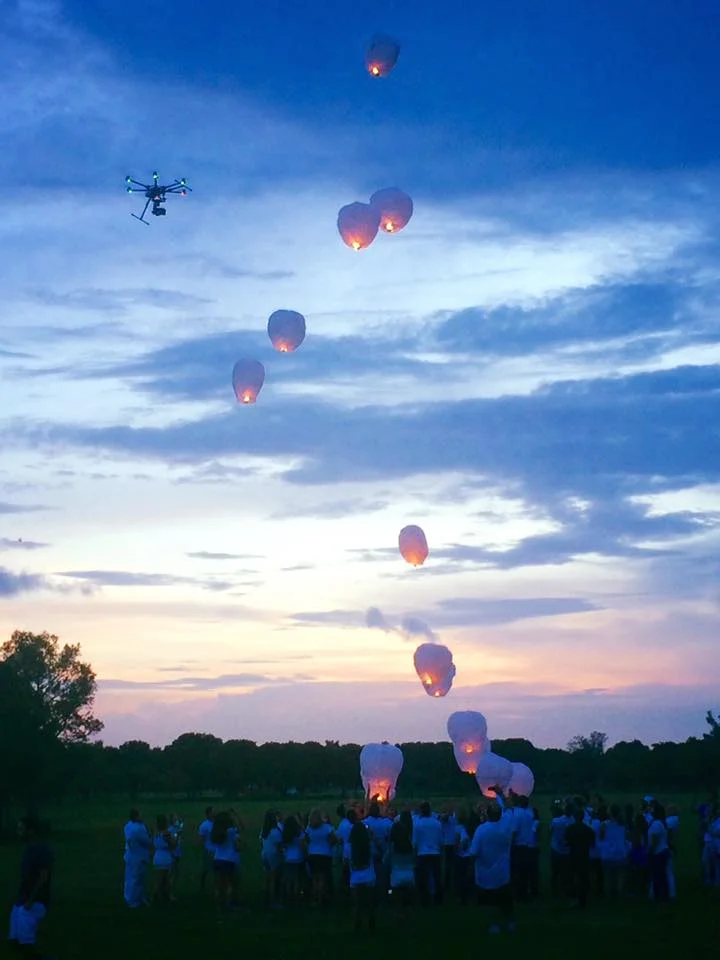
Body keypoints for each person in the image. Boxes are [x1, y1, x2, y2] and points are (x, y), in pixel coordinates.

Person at [469, 791, 515, 935]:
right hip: (503, 873)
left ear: (487, 814)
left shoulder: (482, 830)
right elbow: (508, 810)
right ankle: (510, 924)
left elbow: (474, 852)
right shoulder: (506, 826)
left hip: (486, 874)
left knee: (491, 903)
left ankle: (494, 926)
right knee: (506, 901)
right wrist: (500, 795)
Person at [8, 815, 54, 958]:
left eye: (21, 829)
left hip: (34, 902)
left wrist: (30, 901)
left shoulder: (41, 850)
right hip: (22, 901)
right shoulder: (29, 849)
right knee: (15, 941)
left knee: (27, 946)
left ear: (31, 831)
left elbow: (43, 878)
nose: (18, 832)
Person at [413, 801, 443, 906]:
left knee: (423, 878)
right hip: (435, 852)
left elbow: (415, 841)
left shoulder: (417, 824)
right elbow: (440, 840)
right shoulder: (437, 823)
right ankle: (438, 899)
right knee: (436, 877)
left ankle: (424, 900)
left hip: (422, 853)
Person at [348, 821, 376, 934]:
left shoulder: (351, 847)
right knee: (370, 903)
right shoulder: (369, 846)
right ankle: (371, 923)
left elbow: (347, 860)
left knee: (357, 904)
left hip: (355, 876)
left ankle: (357, 925)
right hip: (368, 875)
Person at [211, 811, 241, 912]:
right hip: (229, 859)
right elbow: (237, 841)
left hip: (217, 858)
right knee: (230, 884)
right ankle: (229, 904)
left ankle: (218, 905)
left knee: (219, 884)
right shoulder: (231, 831)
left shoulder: (215, 832)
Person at [565, 807, 595, 908]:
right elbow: (592, 843)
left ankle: (573, 897)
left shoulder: (570, 828)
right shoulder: (588, 829)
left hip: (573, 855)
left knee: (572, 877)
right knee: (583, 878)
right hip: (584, 855)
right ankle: (583, 899)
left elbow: (567, 842)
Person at [305, 808, 336, 906]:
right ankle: (321, 898)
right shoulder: (327, 828)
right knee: (322, 878)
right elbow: (333, 840)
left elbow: (306, 840)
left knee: (315, 878)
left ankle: (315, 898)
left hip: (312, 855)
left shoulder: (309, 828)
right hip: (324, 854)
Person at [388, 811, 415, 919]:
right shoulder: (410, 847)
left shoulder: (393, 849)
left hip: (396, 877)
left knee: (396, 898)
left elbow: (386, 861)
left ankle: (398, 916)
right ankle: (408, 915)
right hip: (409, 876)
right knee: (408, 899)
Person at [123, 809, 151, 908]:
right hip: (138, 857)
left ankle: (137, 897)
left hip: (131, 855)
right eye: (140, 815)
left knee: (133, 878)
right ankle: (133, 900)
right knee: (136, 879)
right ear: (136, 817)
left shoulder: (128, 826)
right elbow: (147, 841)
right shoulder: (137, 829)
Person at [600, 804, 629, 898]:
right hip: (621, 852)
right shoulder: (623, 825)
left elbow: (602, 837)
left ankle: (608, 894)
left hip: (608, 853)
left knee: (608, 876)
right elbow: (625, 837)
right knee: (620, 876)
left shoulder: (604, 824)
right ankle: (620, 894)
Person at [260, 810, 284, 909]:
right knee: (274, 879)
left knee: (267, 878)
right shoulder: (276, 832)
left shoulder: (264, 831)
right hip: (274, 856)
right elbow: (279, 847)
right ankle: (273, 901)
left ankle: (265, 899)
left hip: (265, 854)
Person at [648, 802, 670, 902]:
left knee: (657, 875)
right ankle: (664, 895)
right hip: (663, 850)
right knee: (662, 875)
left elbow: (654, 839)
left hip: (658, 852)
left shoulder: (656, 823)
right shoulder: (662, 822)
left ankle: (659, 896)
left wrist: (651, 851)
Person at [152, 814, 176, 904]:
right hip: (165, 857)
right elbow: (173, 845)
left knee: (162, 879)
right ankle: (157, 897)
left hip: (157, 856)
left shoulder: (156, 832)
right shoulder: (167, 833)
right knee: (164, 879)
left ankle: (163, 896)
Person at [198, 807, 215, 893]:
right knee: (206, 869)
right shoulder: (204, 825)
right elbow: (201, 838)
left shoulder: (216, 823)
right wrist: (204, 848)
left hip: (217, 850)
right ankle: (202, 884)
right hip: (209, 850)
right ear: (208, 814)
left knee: (217, 870)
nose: (214, 813)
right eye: (212, 812)